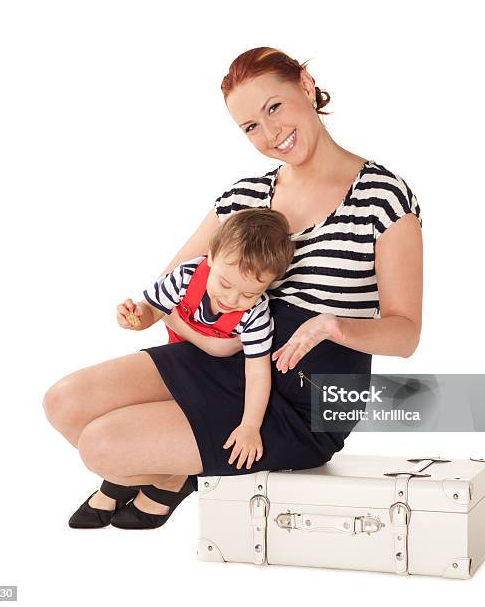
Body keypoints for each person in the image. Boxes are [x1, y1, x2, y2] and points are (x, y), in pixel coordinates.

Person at [43, 46, 423, 531]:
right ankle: (172, 472)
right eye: (251, 127)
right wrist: (143, 313)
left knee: (101, 445)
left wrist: (333, 325)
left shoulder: (383, 196)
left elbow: (405, 335)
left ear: (305, 85)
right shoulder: (243, 198)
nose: (271, 134)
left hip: (306, 397)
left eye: (274, 107)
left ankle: (167, 471)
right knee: (64, 403)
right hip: (221, 357)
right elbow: (166, 289)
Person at [121, 208, 295, 476]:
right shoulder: (186, 276)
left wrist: (250, 426)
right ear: (211, 257)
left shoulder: (256, 313)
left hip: (219, 379)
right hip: (178, 361)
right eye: (225, 284)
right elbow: (153, 310)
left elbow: (258, 371)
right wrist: (135, 317)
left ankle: (171, 478)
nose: (232, 299)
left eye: (249, 293)